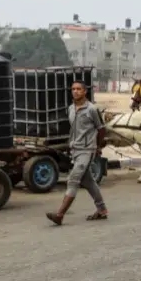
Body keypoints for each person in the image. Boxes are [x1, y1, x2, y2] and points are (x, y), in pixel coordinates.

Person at [46, 81, 107, 225]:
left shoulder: (92, 109)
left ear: (85, 91)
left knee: (73, 180)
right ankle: (102, 209)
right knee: (88, 181)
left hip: (87, 150)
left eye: (79, 89)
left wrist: (97, 147)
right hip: (75, 150)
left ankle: (60, 215)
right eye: (73, 89)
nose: (75, 91)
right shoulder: (71, 109)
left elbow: (101, 129)